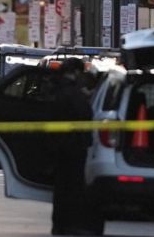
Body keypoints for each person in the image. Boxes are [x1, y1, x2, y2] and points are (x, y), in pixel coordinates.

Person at [48, 58, 101, 235]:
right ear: (76, 72)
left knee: (60, 187)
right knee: (72, 186)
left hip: (59, 145)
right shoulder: (72, 93)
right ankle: (68, 224)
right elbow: (85, 114)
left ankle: (59, 224)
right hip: (73, 146)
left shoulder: (55, 89)